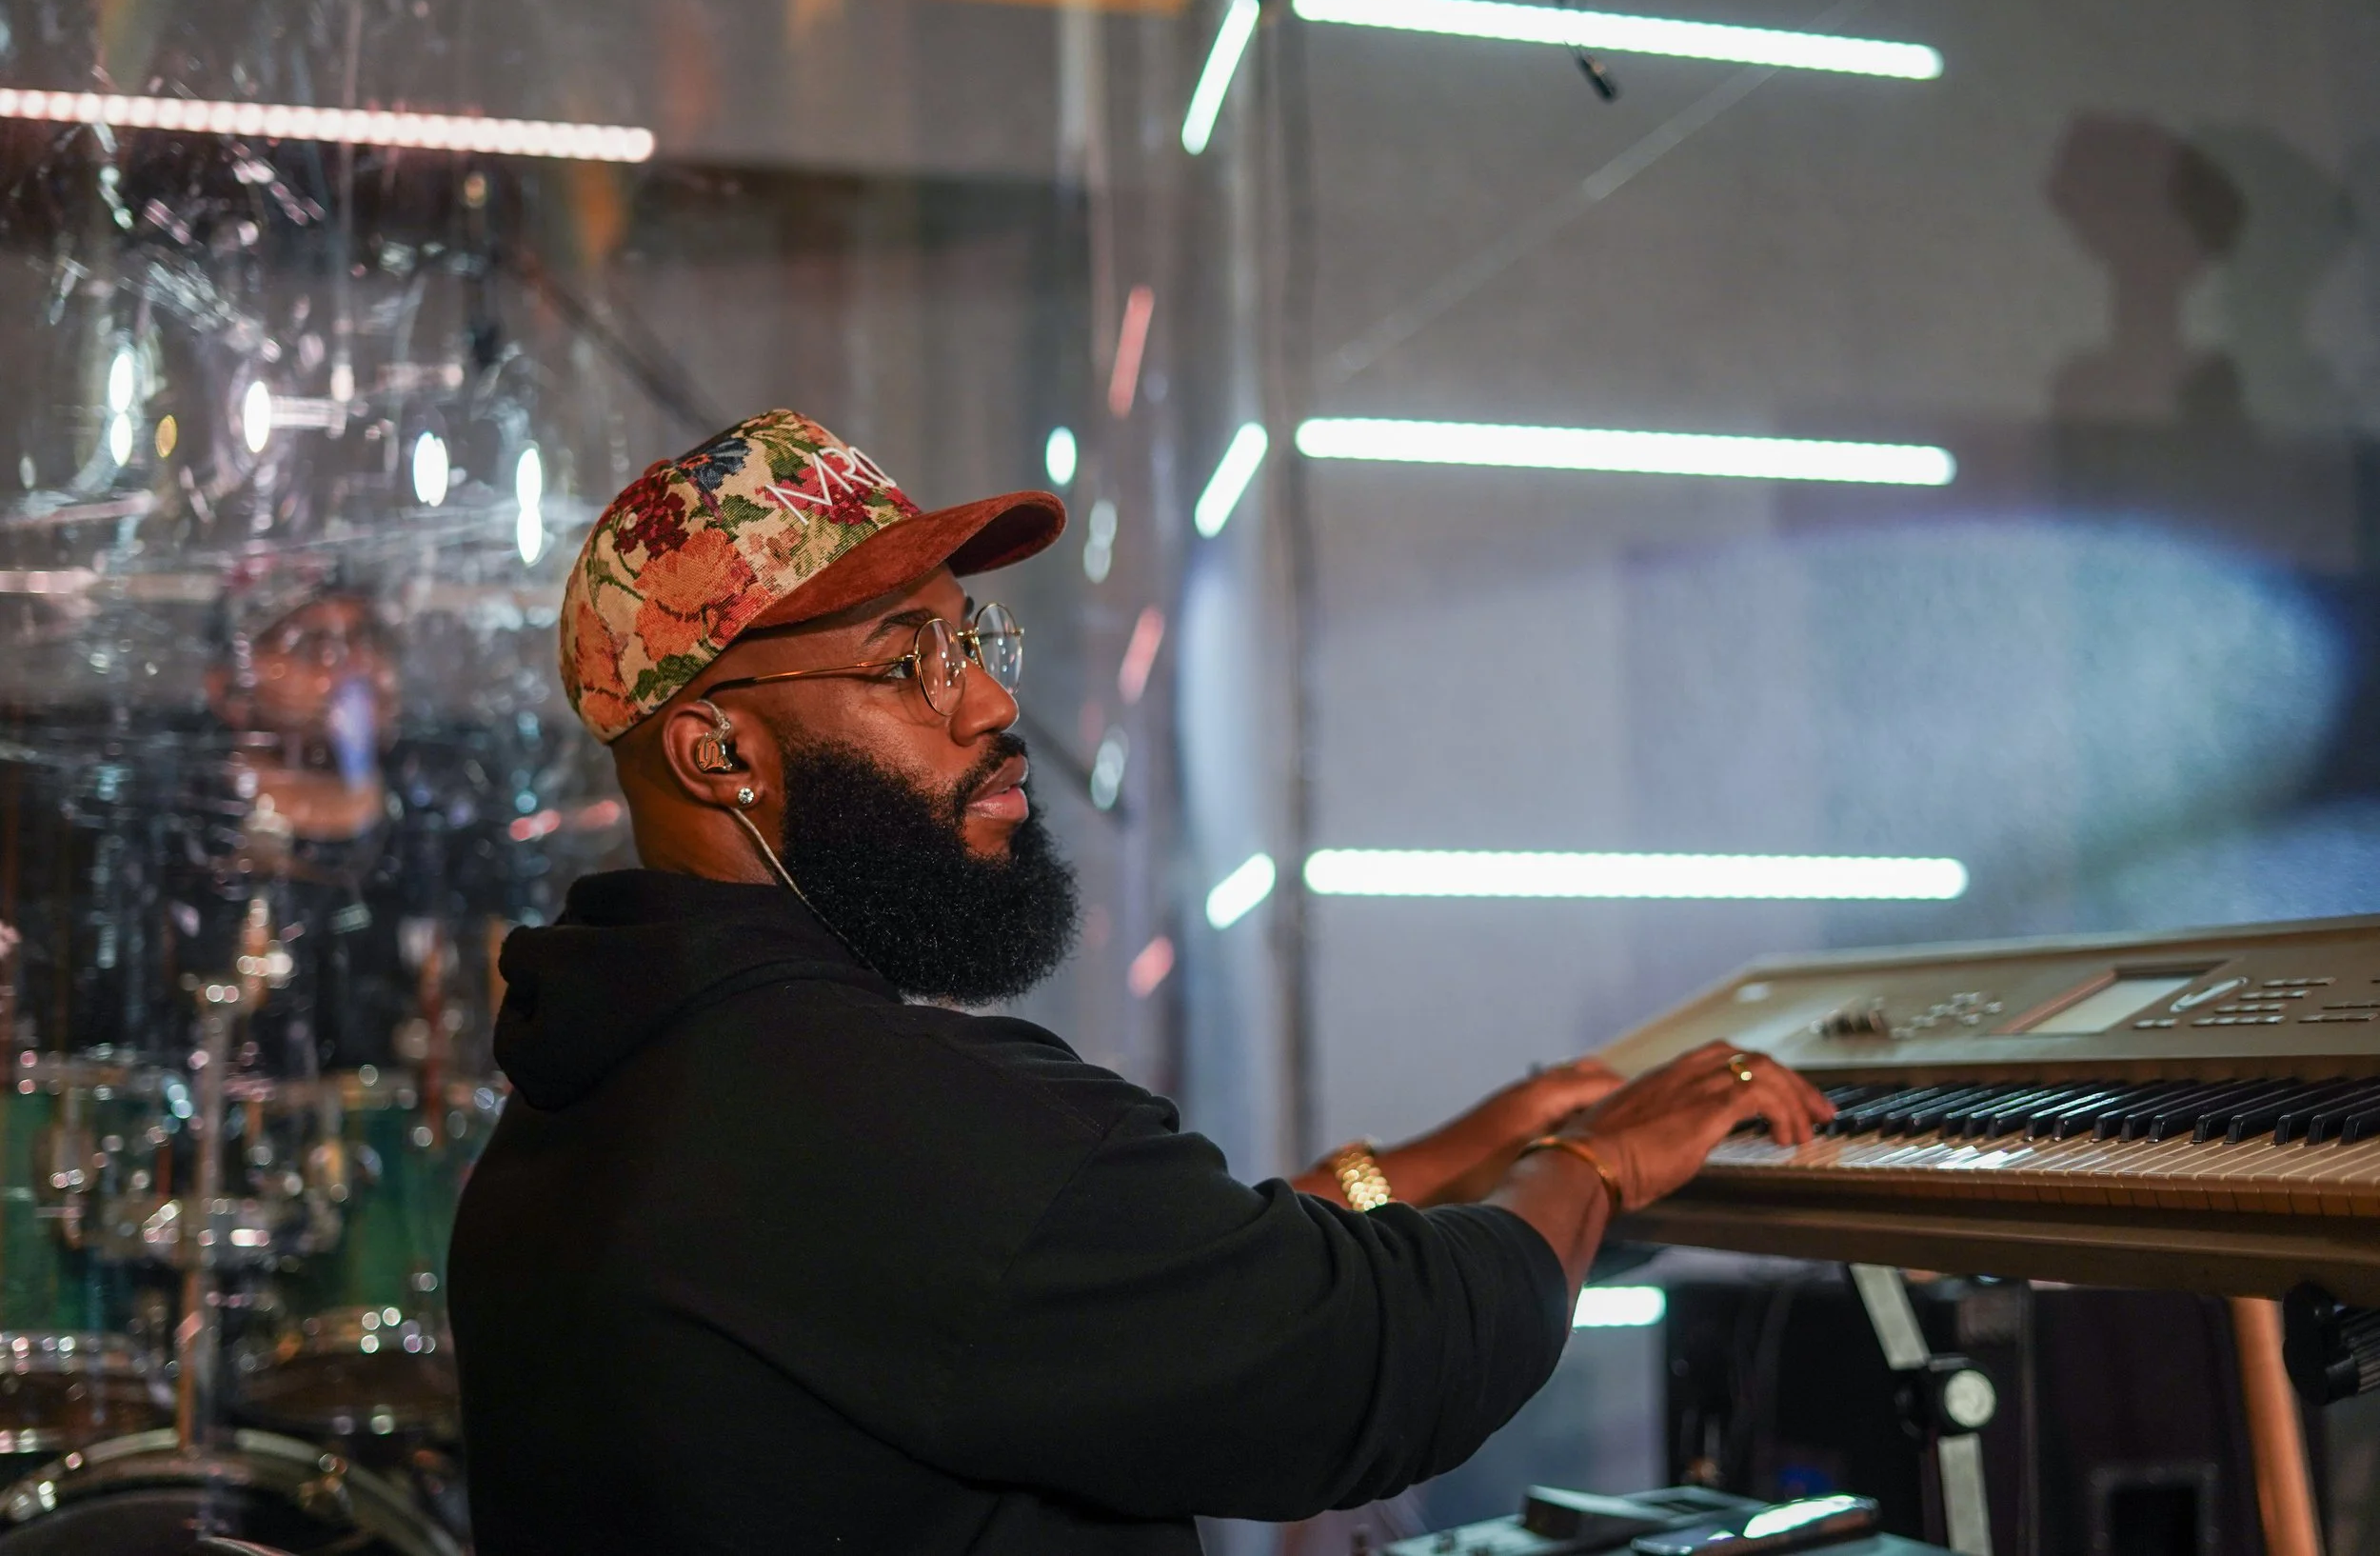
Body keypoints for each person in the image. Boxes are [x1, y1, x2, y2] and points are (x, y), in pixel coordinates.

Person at [447, 409, 1832, 1556]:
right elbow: (1370, 1361)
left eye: (969, 640)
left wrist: (1456, 1153)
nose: (988, 706)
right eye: (905, 663)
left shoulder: (599, 1099)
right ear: (716, 752)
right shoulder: (868, 1108)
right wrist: (1594, 1163)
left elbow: (1111, 1276)